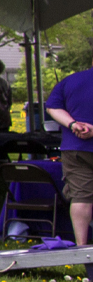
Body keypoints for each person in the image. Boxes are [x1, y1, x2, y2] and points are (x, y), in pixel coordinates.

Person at [45, 63, 93, 249]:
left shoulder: (70, 80)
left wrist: (73, 125)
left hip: (75, 148)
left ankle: (81, 248)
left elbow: (52, 108)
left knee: (81, 197)